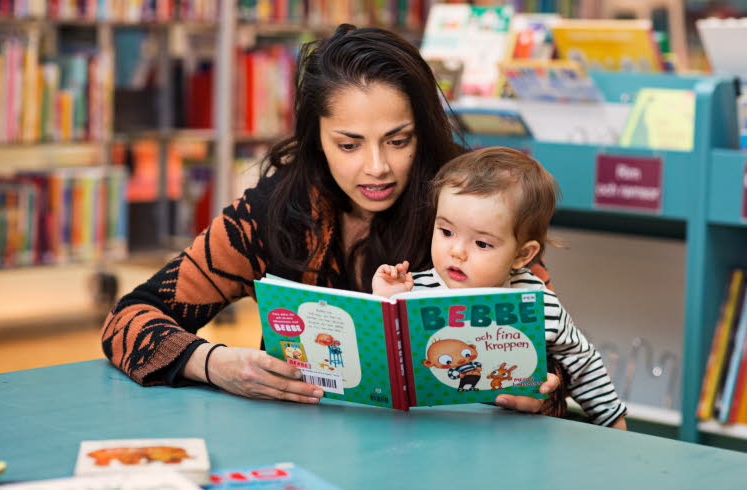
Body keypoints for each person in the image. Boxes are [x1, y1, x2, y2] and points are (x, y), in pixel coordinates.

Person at [101, 24, 565, 415]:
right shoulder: (272, 210)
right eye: (349, 145)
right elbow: (127, 320)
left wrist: (535, 395)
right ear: (316, 138)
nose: (376, 167)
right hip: (297, 451)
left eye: (398, 141)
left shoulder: (472, 206)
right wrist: (214, 363)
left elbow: (553, 372)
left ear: (423, 132)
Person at [372, 146, 628, 428]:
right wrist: (386, 304)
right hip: (425, 433)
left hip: (510, 439)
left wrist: (612, 418)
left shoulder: (537, 302)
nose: (456, 251)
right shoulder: (412, 292)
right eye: (446, 231)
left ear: (522, 255)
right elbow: (381, 367)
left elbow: (581, 360)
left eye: (482, 243)